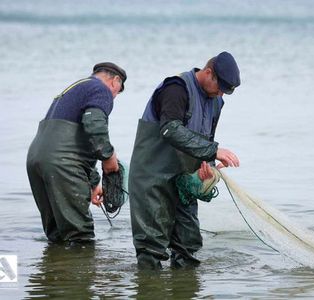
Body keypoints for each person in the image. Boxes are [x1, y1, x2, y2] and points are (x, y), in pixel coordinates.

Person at [129, 51, 241, 269]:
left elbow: (206, 140)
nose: (221, 95)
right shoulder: (176, 88)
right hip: (152, 178)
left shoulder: (216, 102)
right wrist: (213, 151)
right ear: (208, 73)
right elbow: (170, 129)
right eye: (220, 88)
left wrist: (206, 170)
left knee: (188, 245)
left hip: (184, 181)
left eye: (226, 92)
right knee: (152, 247)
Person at [26, 62, 127, 244]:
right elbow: (94, 127)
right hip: (62, 162)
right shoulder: (100, 90)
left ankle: (55, 270)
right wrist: (109, 156)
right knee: (80, 235)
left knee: (56, 234)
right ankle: (83, 272)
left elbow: (79, 142)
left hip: (36, 160)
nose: (114, 97)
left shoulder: (75, 89)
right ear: (115, 81)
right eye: (117, 92)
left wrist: (93, 182)